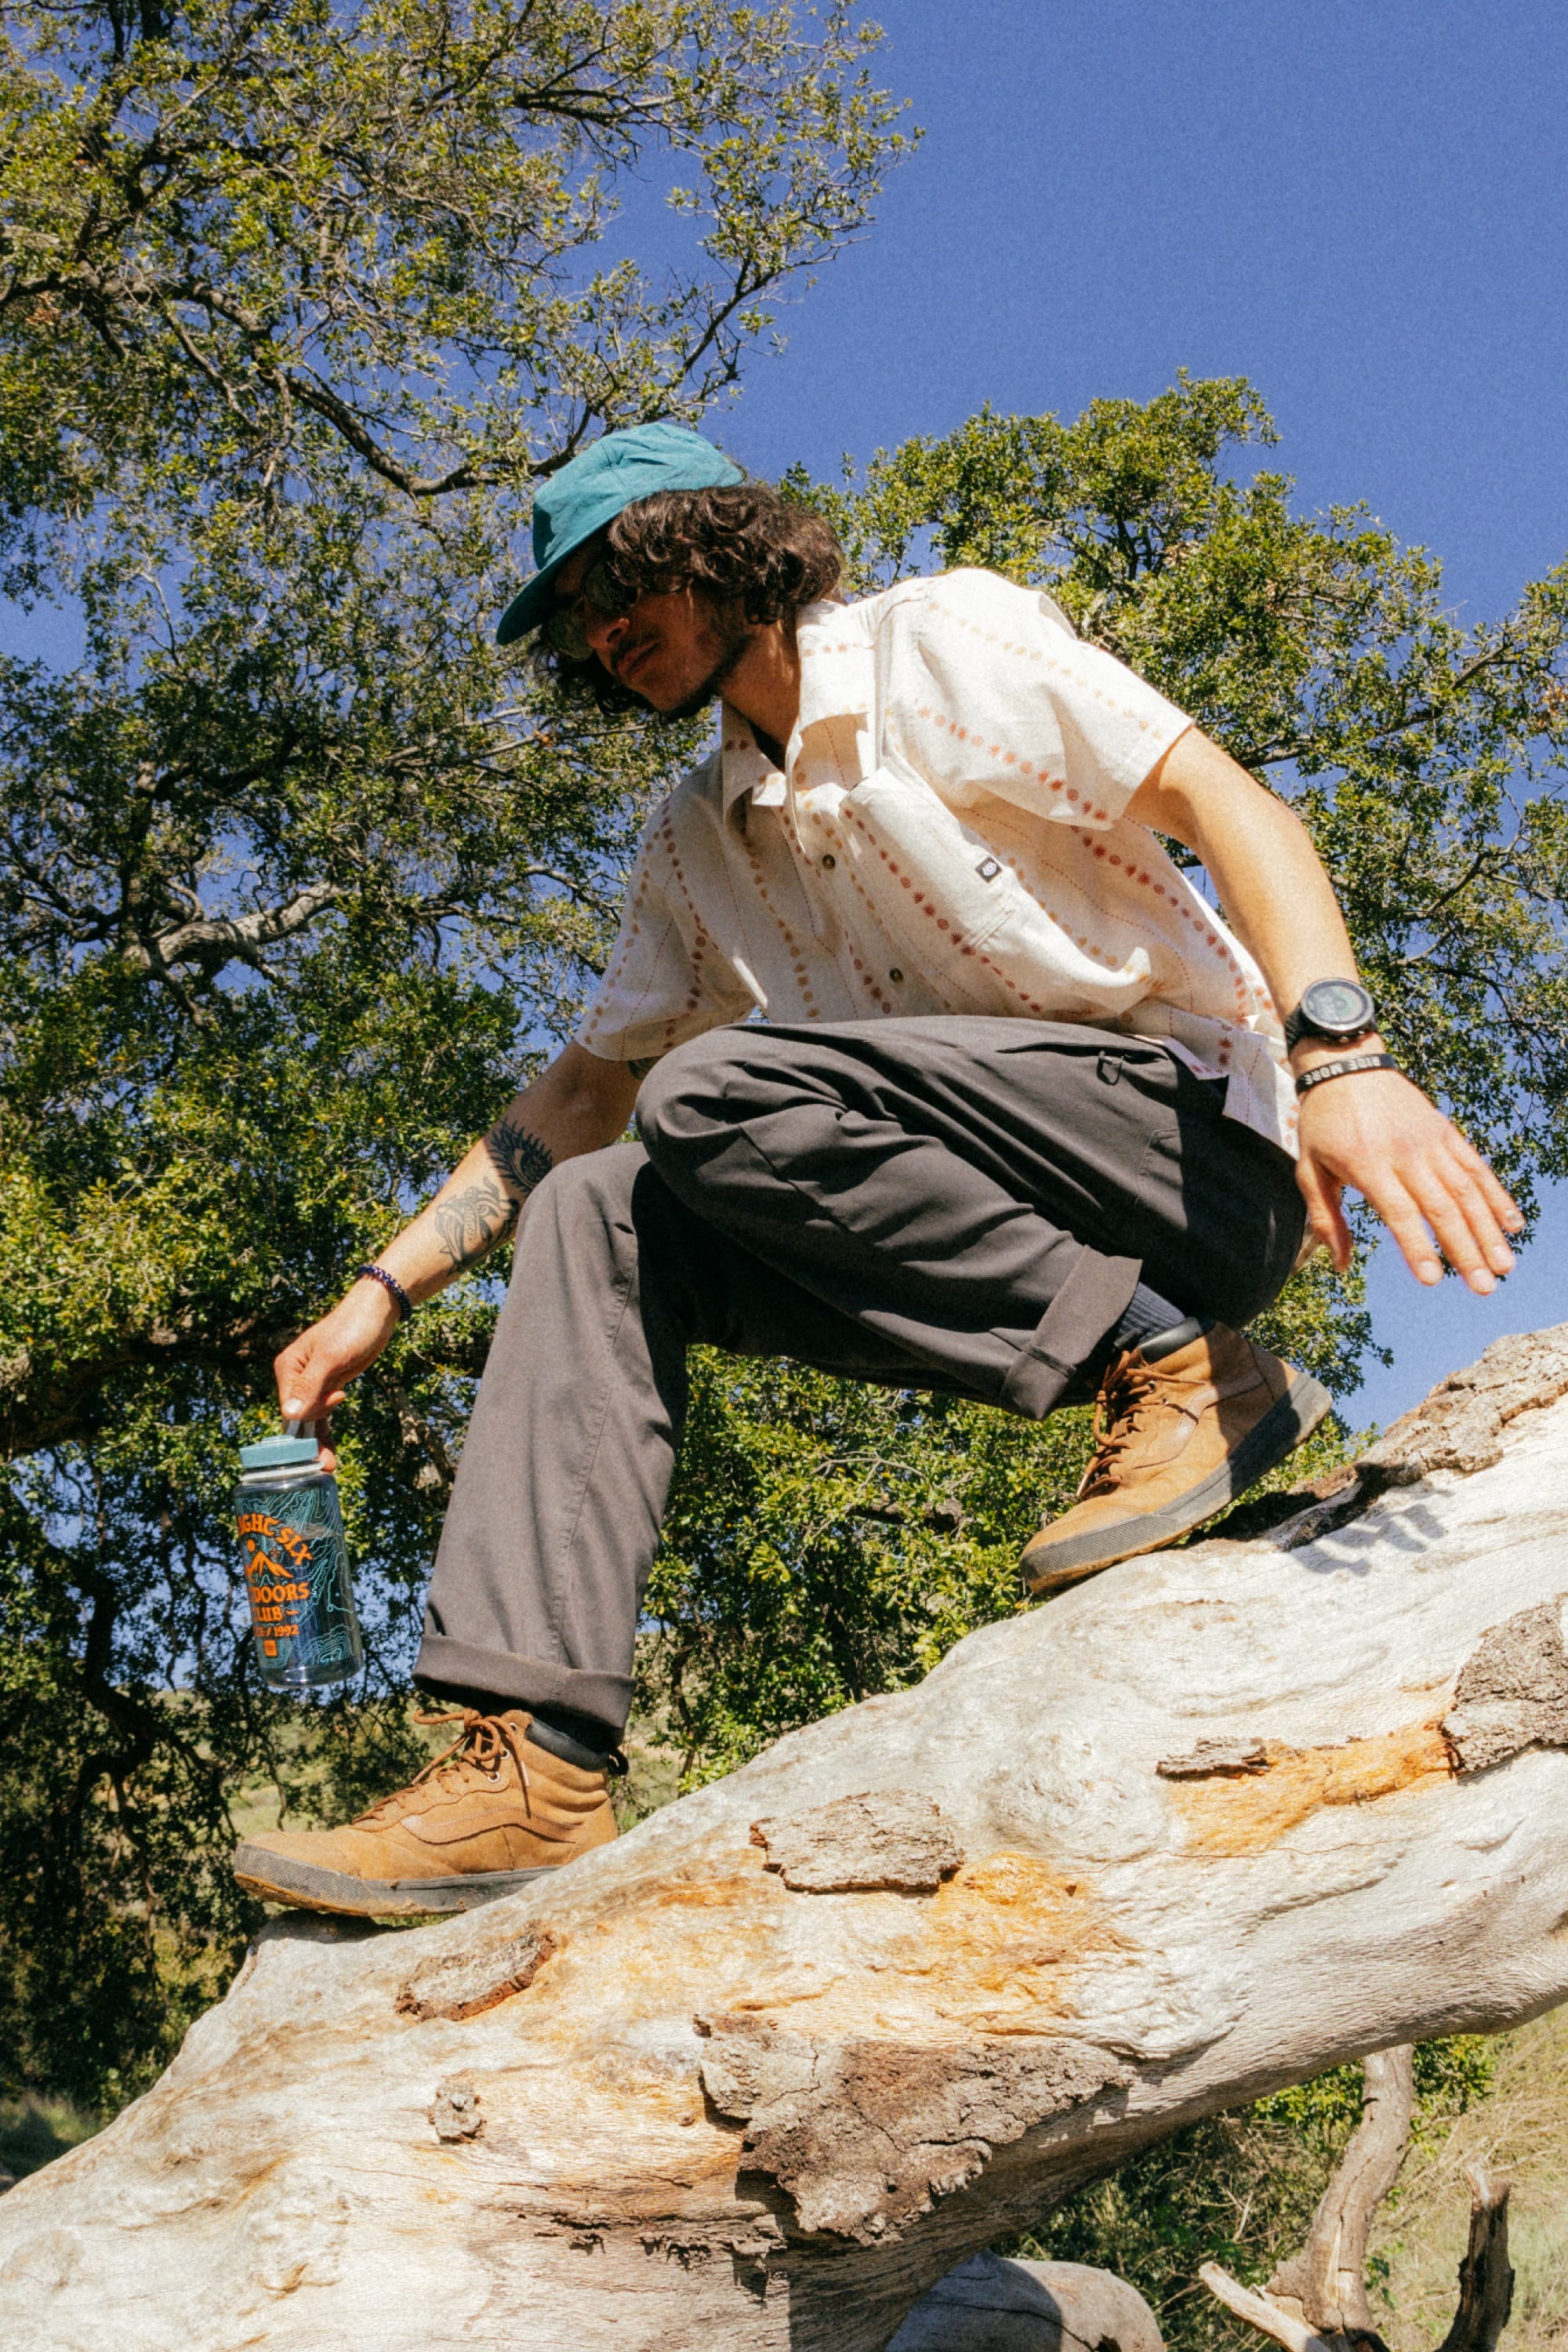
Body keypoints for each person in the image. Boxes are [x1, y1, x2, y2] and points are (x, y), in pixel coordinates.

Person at [232, 421, 1522, 1918]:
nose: (602, 631)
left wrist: (1343, 1063)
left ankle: (1186, 1376)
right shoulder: (694, 836)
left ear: (713, 546)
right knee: (600, 1210)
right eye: (577, 621)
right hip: (1007, 1224)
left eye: (616, 582)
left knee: (713, 1087)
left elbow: (1235, 809)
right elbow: (587, 1088)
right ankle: (532, 1763)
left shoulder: (944, 647)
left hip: (1190, 1157)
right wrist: (382, 1288)